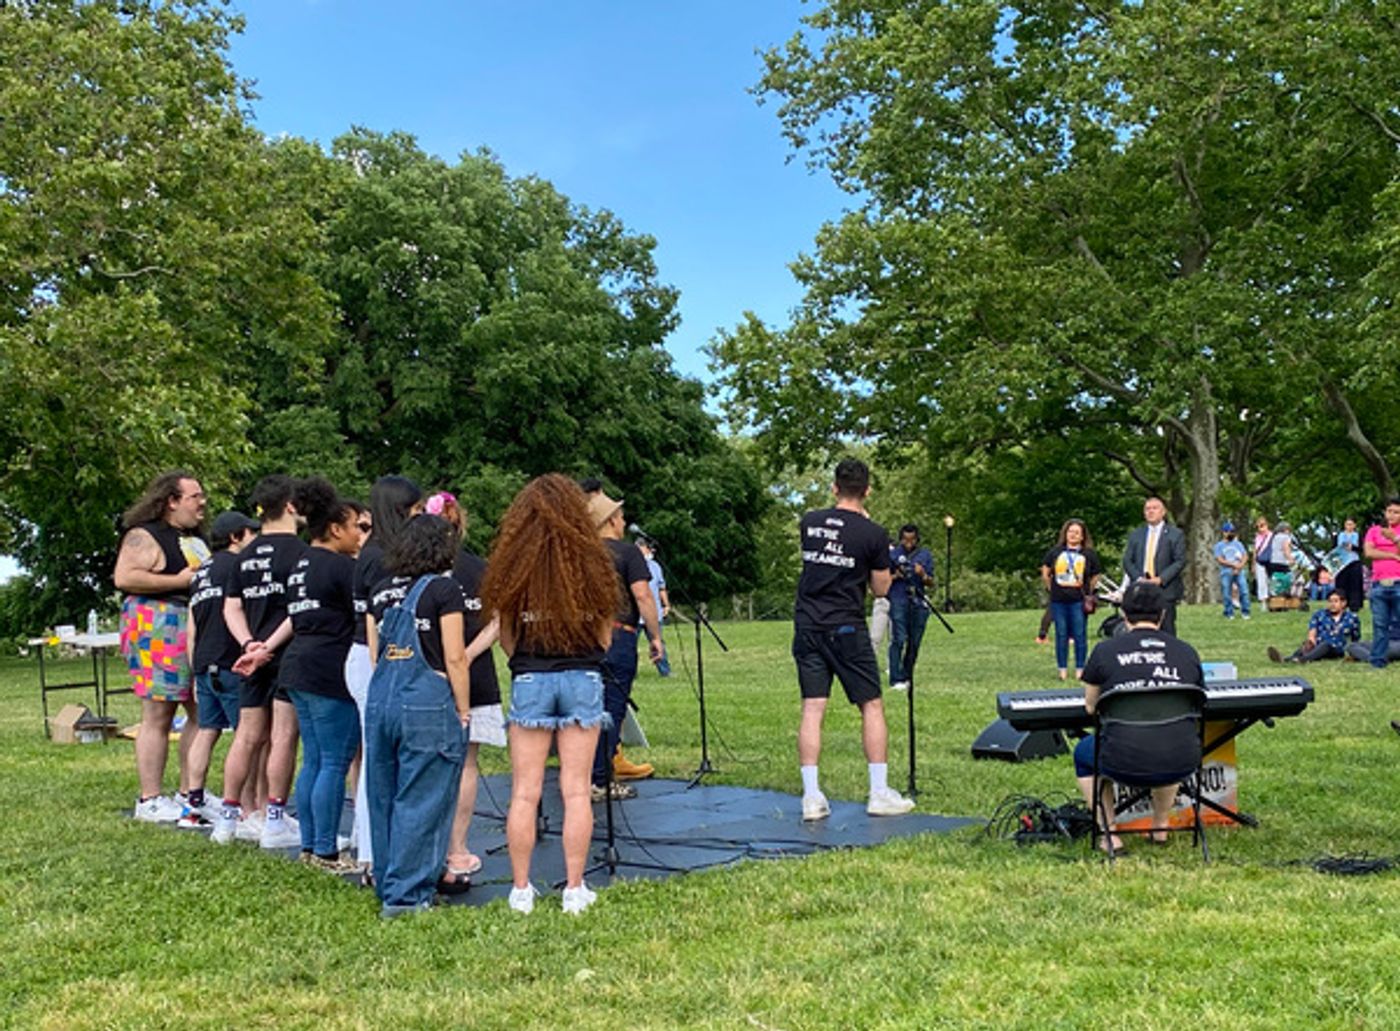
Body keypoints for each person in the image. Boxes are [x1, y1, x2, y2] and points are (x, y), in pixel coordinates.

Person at [480, 474, 619, 915]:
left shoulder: (511, 569)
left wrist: (525, 660)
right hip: (583, 677)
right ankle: (574, 889)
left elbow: (505, 635)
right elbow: (604, 637)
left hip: (530, 678)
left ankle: (521, 890)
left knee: (525, 791)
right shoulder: (594, 563)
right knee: (577, 790)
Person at [793, 458, 914, 821]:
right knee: (871, 705)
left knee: (813, 708)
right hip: (845, 625)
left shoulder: (810, 522)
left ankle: (811, 796)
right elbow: (880, 589)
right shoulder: (873, 534)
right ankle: (879, 791)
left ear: (834, 487)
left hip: (808, 624)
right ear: (867, 490)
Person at [364, 515, 472, 917]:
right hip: (426, 702)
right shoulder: (445, 589)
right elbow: (455, 657)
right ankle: (408, 897)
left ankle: (389, 881)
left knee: (384, 796)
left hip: (382, 700)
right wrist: (462, 709)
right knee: (422, 798)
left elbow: (377, 654)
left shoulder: (380, 590)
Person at [1072, 581, 1205, 852]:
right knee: (1169, 737)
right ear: (1163, 614)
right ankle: (1160, 826)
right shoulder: (1186, 652)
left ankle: (1109, 835)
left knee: (1083, 755)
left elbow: (1090, 707)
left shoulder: (1104, 651)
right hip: (1182, 759)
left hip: (1121, 759)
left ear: (1123, 614)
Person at [113, 470, 211, 823]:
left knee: (199, 708)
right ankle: (150, 799)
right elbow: (124, 577)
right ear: (171, 501)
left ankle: (190, 793)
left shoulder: (195, 539)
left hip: (191, 622)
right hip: (157, 622)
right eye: (194, 496)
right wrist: (177, 581)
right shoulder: (144, 536)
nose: (202, 503)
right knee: (159, 713)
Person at [217, 475, 308, 849]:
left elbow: (231, 607)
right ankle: (274, 820)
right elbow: (298, 608)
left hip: (249, 657)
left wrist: (249, 644)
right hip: (285, 654)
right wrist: (267, 646)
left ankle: (227, 819)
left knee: (247, 735)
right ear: (289, 506)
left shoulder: (245, 555)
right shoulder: (302, 554)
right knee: (284, 735)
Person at [279, 479, 362, 873]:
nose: (359, 535)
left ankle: (311, 846)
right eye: (354, 528)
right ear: (335, 529)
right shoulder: (343, 568)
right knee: (334, 760)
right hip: (331, 668)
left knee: (313, 757)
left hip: (297, 665)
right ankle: (327, 852)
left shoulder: (300, 565)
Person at [345, 475, 422, 868]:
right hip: (374, 656)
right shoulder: (379, 556)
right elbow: (376, 620)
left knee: (378, 753)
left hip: (377, 655)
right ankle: (375, 853)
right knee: (378, 756)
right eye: (415, 511)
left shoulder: (374, 552)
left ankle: (369, 838)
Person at [442, 503, 508, 892]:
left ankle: (436, 849)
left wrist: (455, 659)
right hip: (476, 674)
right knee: (467, 763)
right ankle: (457, 848)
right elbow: (499, 622)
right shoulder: (479, 568)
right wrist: (467, 655)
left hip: (433, 676)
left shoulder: (416, 570)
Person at [187, 510, 260, 836]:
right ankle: (247, 810)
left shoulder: (200, 572)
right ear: (235, 537)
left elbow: (191, 625)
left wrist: (195, 665)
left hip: (204, 663)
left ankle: (194, 799)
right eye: (251, 534)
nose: (255, 541)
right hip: (231, 662)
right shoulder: (237, 567)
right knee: (248, 737)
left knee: (208, 729)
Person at [589, 490, 665, 802]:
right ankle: (600, 779)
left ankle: (584, 774)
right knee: (613, 708)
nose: (623, 522)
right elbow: (644, 595)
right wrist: (655, 636)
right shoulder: (628, 554)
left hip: (586, 636)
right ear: (610, 521)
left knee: (588, 709)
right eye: (619, 516)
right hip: (620, 634)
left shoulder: (582, 554)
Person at [1040, 519, 1102, 681]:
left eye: (1077, 532)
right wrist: (1050, 587)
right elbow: (1045, 570)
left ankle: (1080, 668)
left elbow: (1096, 574)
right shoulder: (1056, 552)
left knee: (1080, 634)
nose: (1073, 535)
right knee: (1061, 634)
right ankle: (1062, 669)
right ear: (1065, 534)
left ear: (1082, 536)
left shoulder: (1089, 554)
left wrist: (1088, 590)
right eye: (1070, 532)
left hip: (1078, 600)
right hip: (1059, 599)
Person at [1122, 496, 1186, 636]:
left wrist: (1161, 579)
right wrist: (1138, 578)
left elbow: (1179, 561)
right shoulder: (1136, 534)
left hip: (1165, 590)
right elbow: (1127, 560)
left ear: (1163, 512)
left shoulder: (1175, 534)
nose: (1150, 512)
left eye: (1154, 508)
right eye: (1147, 509)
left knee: (1166, 630)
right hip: (1139, 589)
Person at [887, 524, 934, 691]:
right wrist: (896, 575)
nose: (909, 543)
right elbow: (881, 580)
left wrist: (922, 574)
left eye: (912, 539)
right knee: (899, 638)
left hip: (918, 601)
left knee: (914, 642)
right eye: (906, 539)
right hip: (898, 598)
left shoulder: (924, 555)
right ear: (901, 539)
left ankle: (907, 675)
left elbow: (931, 582)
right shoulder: (892, 555)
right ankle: (895, 677)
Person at [1267, 589, 1361, 663]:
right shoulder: (1320, 614)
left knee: (1326, 645)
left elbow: (1355, 638)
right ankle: (1288, 659)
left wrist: (1353, 654)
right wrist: (1311, 641)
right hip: (1318, 645)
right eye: (1330, 601)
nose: (1332, 604)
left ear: (1343, 603)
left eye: (1335, 601)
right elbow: (1312, 630)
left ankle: (1302, 660)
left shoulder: (1352, 618)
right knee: (1308, 645)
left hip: (1336, 649)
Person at [1363, 498, 1400, 669]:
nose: (1392, 515)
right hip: (1379, 583)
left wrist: (1396, 539)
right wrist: (1392, 555)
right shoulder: (1374, 531)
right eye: (1389, 511)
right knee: (1380, 624)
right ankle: (1377, 661)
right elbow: (1369, 552)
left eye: (1396, 512)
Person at [637, 538, 672, 677]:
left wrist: (666, 605)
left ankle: (665, 671)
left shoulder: (656, 566)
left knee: (658, 642)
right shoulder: (632, 565)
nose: (651, 551)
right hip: (636, 614)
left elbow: (661, 588)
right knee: (629, 645)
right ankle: (630, 672)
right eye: (648, 548)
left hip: (654, 614)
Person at [1213, 522, 1251, 620]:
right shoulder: (1219, 546)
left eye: (1232, 531)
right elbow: (1220, 559)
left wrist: (1240, 566)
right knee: (1226, 593)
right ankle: (1229, 612)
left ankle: (1246, 612)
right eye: (1228, 531)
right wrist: (1233, 565)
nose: (1230, 533)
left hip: (1239, 571)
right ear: (1223, 533)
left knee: (1244, 591)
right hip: (1226, 571)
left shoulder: (1238, 544)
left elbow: (1245, 556)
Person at [1332, 518, 1365, 612]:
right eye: (1347, 524)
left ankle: (1355, 604)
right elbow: (1333, 549)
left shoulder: (1358, 536)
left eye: (1351, 524)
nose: (1349, 526)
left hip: (1354, 561)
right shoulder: (1339, 536)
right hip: (1341, 562)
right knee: (1341, 584)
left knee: (1355, 584)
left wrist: (1353, 547)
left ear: (1354, 526)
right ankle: (1340, 603)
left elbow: (1362, 549)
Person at [1252, 517, 1273, 602]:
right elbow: (1255, 551)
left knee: (1271, 580)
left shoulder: (1271, 536)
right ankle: (1263, 599)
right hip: (1260, 560)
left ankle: (1272, 598)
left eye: (1262, 525)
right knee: (1261, 581)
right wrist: (1253, 564)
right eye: (1258, 527)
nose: (1260, 528)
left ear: (1266, 525)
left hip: (1270, 560)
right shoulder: (1257, 537)